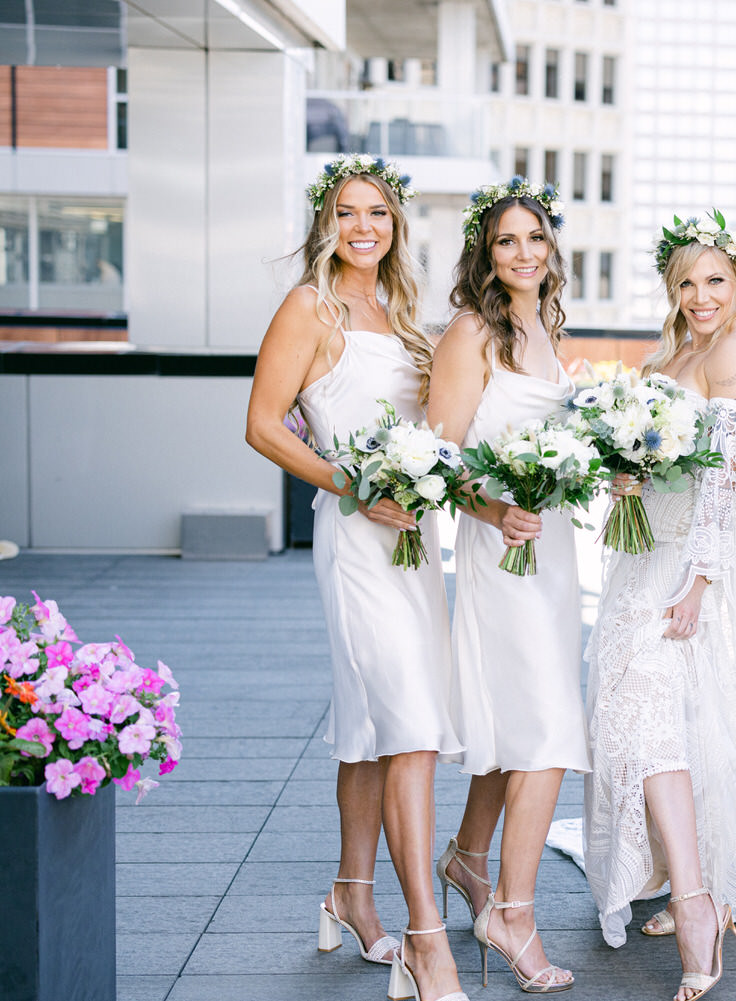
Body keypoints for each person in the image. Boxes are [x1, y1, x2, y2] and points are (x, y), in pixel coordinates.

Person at [245, 155, 468, 1001]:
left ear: (396, 224)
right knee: (408, 721)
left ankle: (351, 891)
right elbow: (264, 424)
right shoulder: (311, 305)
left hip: (417, 543)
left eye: (378, 212)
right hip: (354, 537)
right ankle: (424, 936)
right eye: (348, 211)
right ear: (326, 223)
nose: (364, 226)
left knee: (372, 721)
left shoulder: (404, 312)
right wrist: (354, 485)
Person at [582, 213, 736, 1001]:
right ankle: (674, 872)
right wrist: (627, 476)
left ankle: (697, 902)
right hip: (640, 556)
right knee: (638, 712)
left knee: (655, 713)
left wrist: (702, 583)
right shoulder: (667, 354)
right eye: (686, 281)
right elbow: (660, 461)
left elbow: (732, 483)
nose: (700, 295)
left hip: (696, 566)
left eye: (715, 279)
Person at [424, 178, 580, 994]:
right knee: (549, 730)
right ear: (486, 253)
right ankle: (513, 913)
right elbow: (436, 461)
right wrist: (493, 509)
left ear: (551, 247)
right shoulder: (471, 332)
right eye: (507, 240)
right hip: (500, 551)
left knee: (520, 723)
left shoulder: (545, 329)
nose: (523, 253)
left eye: (535, 238)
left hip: (552, 559)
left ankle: (469, 857)